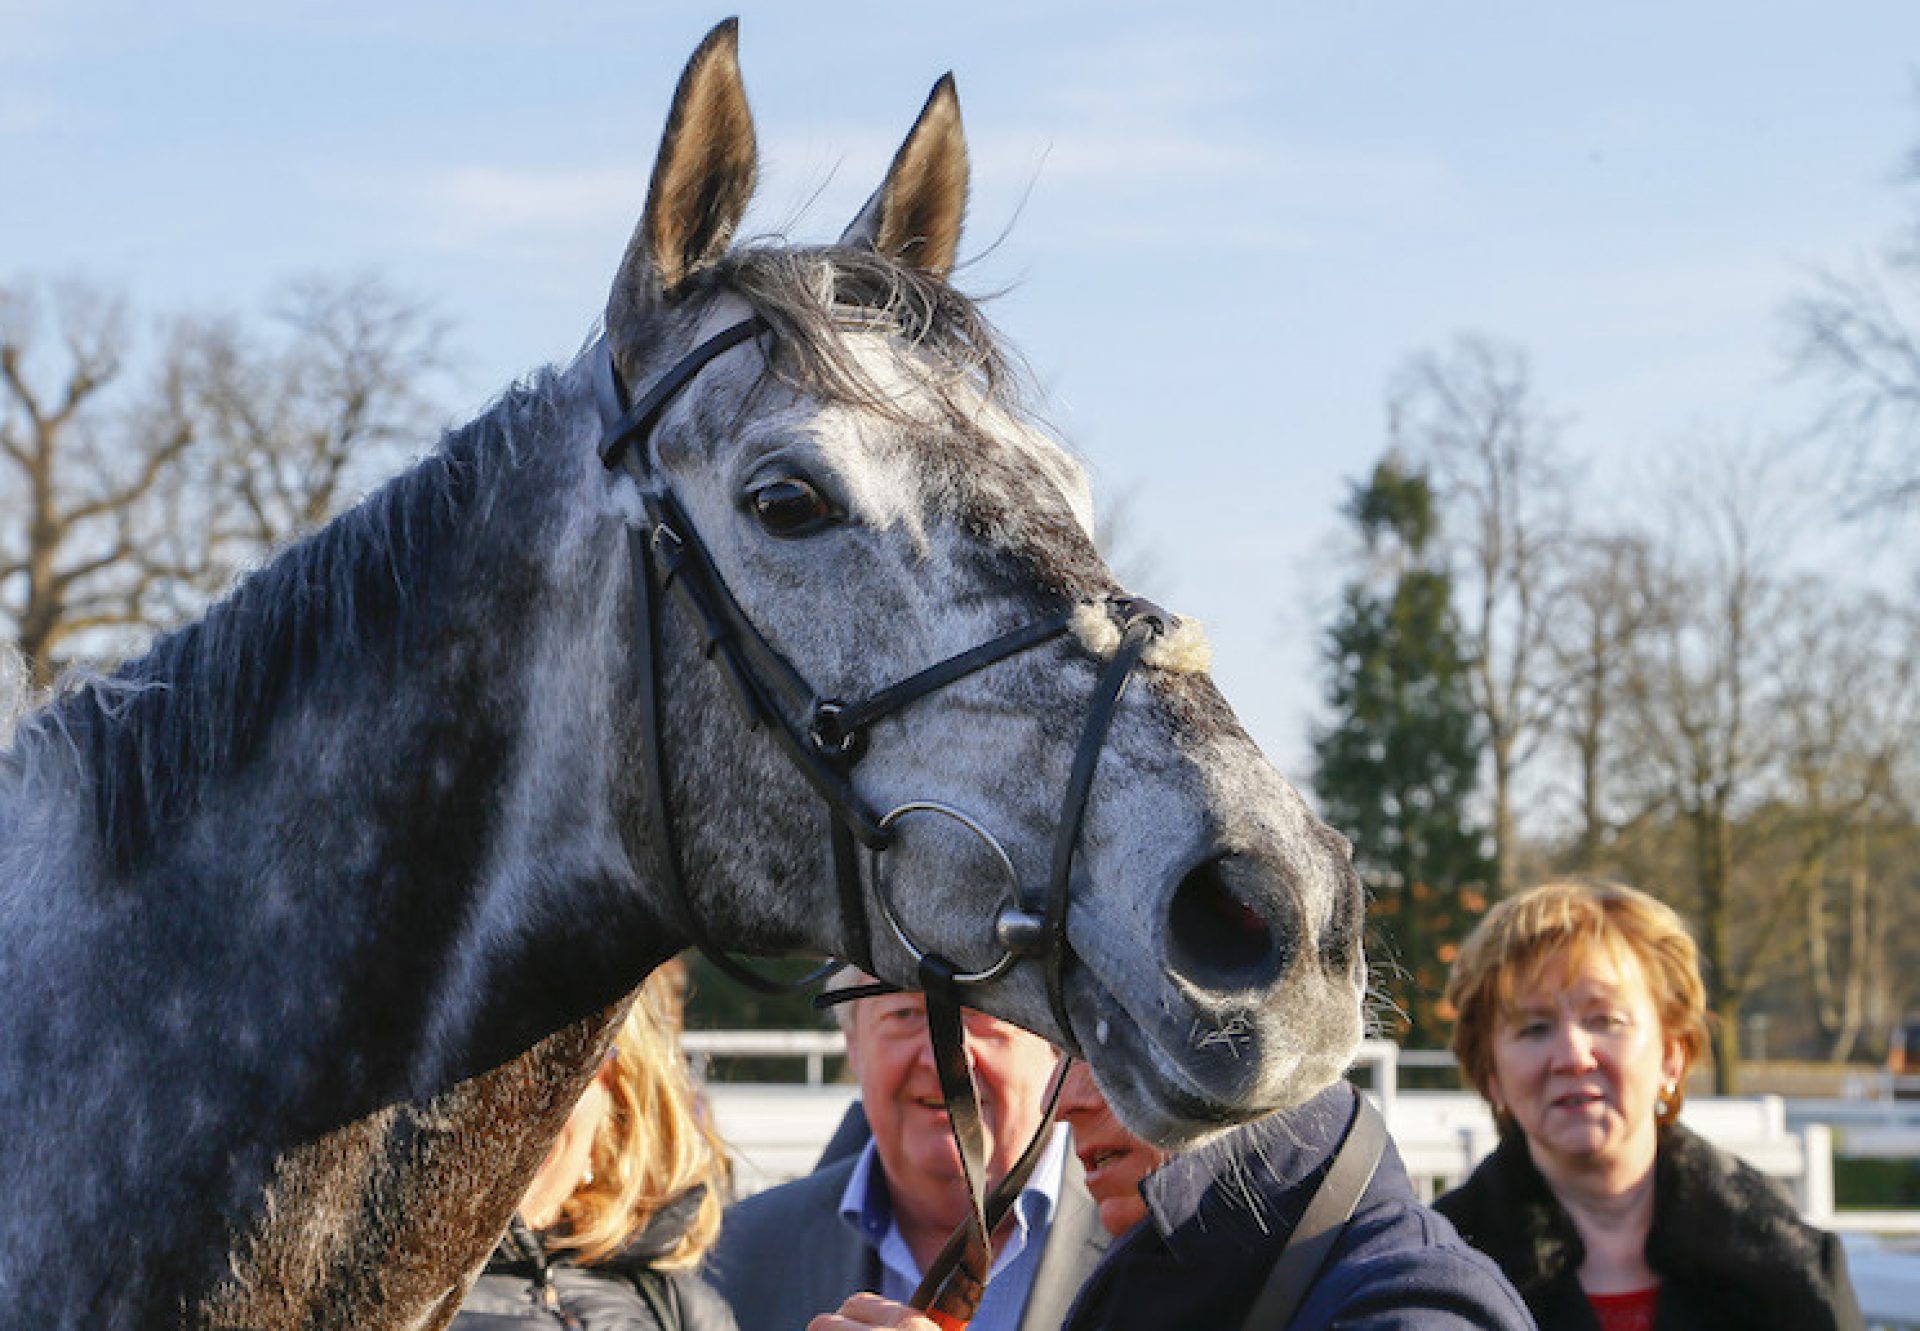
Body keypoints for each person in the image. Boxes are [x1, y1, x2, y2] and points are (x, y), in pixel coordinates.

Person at [810, 1058, 1531, 1331]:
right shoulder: (1171, 1284)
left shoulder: (1417, 1307)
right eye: (1060, 1052)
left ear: (1251, 1051)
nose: (1063, 1102)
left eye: (1099, 1047)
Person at [1435, 878, 1863, 1331]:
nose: (1574, 1056)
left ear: (1672, 1055)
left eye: (1605, 1020)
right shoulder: (1436, 1278)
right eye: (1535, 1028)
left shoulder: (1789, 1263)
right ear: (1490, 1073)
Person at [708, 971, 1108, 1331]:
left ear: (1054, 1040)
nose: (942, 1059)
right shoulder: (732, 1258)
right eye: (904, 1014)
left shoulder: (1154, 1243)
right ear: (853, 1042)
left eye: (979, 1012)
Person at [455, 963, 739, 1331]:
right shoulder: (384, 1303)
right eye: (474, 1065)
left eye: (556, 1060)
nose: (513, 1104)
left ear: (617, 1096)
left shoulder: (675, 1307)